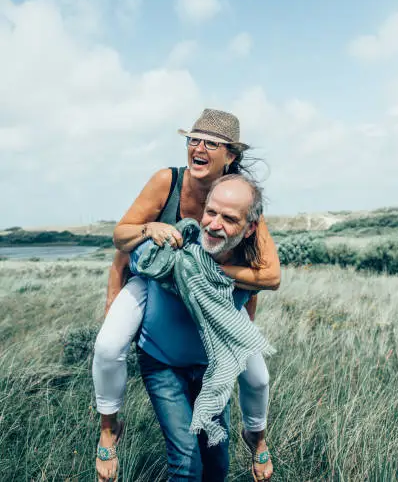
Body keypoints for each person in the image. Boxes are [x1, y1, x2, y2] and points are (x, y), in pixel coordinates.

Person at [93, 109, 280, 481]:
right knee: (108, 346)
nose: (198, 146)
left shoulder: (237, 197)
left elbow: (267, 273)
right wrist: (149, 230)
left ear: (230, 156)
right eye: (193, 139)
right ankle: (109, 427)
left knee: (257, 376)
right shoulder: (168, 180)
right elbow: (121, 239)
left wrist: (214, 277)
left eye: (211, 142)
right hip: (153, 279)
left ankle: (257, 438)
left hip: (216, 292)